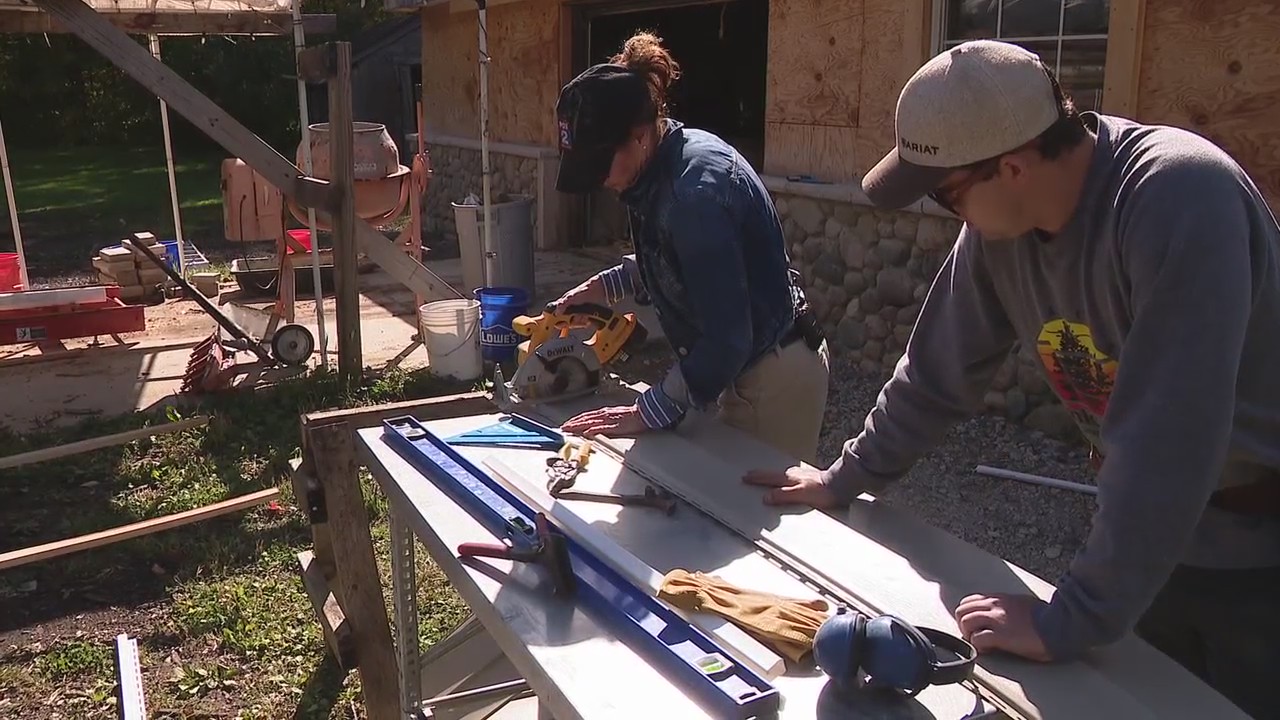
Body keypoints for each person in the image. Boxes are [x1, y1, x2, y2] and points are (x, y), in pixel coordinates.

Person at [743, 39, 1280, 719]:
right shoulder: (1001, 233)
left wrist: (1072, 618)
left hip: (1260, 556)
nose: (948, 212)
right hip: (1159, 541)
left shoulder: (1179, 197)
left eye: (945, 194)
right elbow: (935, 373)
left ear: (1014, 166)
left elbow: (1168, 441)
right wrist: (844, 477)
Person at [548, 32, 831, 464]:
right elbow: (677, 258)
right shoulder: (660, 162)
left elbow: (727, 339)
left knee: (736, 506)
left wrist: (648, 409)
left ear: (639, 135)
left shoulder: (694, 196)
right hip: (737, 365)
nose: (600, 179)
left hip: (771, 376)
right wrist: (608, 286)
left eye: (600, 164)